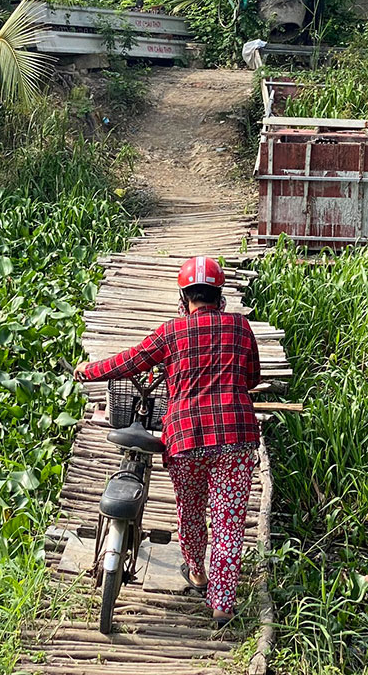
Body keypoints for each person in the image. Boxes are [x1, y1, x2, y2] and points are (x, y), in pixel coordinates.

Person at [73, 255, 260, 626]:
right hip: (235, 438)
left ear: (183, 298)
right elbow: (251, 378)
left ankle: (197, 573)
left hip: (185, 439)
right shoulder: (240, 328)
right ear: (220, 298)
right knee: (228, 521)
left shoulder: (172, 332)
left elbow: (130, 361)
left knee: (190, 510)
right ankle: (222, 603)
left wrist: (88, 370)